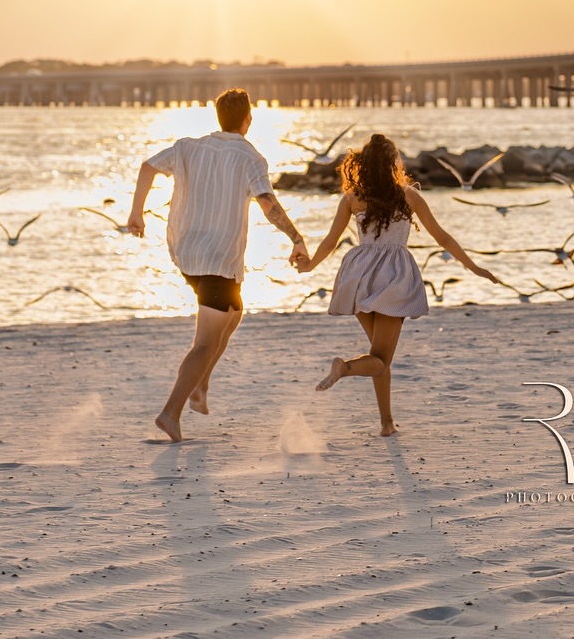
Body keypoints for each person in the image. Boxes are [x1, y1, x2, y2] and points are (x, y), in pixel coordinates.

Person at [128, 89, 309, 442]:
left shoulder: (187, 147)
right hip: (217, 260)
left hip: (187, 254)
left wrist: (136, 213)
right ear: (248, 119)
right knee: (204, 344)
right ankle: (170, 413)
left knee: (234, 313)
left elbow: (147, 167)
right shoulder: (250, 157)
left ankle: (200, 385)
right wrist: (296, 238)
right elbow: (268, 203)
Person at [298, 133, 500, 436]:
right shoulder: (407, 195)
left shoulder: (352, 198)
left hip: (358, 274)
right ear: (393, 163)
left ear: (363, 164)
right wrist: (474, 267)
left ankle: (387, 423)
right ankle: (345, 368)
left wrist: (309, 265)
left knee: (379, 356)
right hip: (393, 276)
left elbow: (330, 241)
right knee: (380, 359)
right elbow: (442, 237)